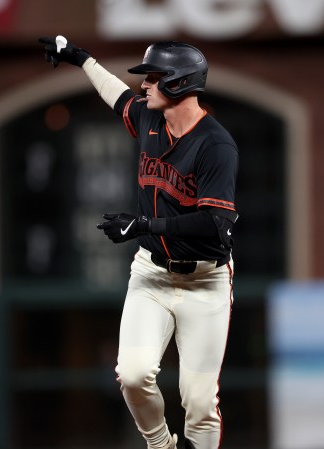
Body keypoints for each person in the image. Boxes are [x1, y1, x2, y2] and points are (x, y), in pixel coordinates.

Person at [38, 36, 239, 449]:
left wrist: (147, 225)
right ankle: (160, 445)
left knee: (199, 401)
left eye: (153, 77)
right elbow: (116, 95)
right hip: (151, 274)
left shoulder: (215, 145)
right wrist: (81, 58)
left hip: (205, 283)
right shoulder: (150, 118)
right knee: (132, 374)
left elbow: (217, 224)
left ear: (180, 84)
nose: (144, 86)